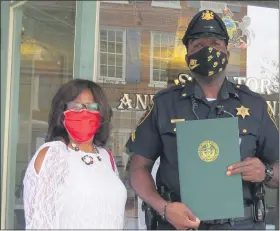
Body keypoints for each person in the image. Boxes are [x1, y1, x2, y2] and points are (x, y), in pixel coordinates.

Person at [125, 9, 279, 230]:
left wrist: (266, 172)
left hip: (241, 225)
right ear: (187, 56)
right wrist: (164, 208)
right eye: (198, 46)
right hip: (178, 225)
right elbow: (138, 169)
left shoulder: (255, 105)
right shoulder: (164, 104)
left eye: (215, 44)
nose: (208, 50)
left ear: (227, 52)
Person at [23, 79, 127, 229]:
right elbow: (41, 223)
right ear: (62, 113)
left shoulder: (106, 157)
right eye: (76, 106)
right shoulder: (54, 153)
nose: (84, 112)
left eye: (92, 107)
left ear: (101, 113)